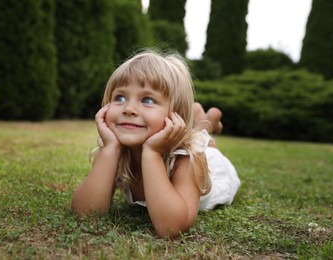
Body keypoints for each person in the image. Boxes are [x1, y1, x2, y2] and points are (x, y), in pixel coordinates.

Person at [71, 50, 240, 238]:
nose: (128, 109)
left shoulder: (189, 159)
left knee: (204, 144)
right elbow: (85, 214)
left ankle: (208, 123)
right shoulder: (112, 150)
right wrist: (111, 149)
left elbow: (171, 228)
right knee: (197, 134)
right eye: (120, 98)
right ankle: (199, 120)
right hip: (180, 134)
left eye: (147, 100)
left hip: (214, 170)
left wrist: (152, 153)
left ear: (175, 115)